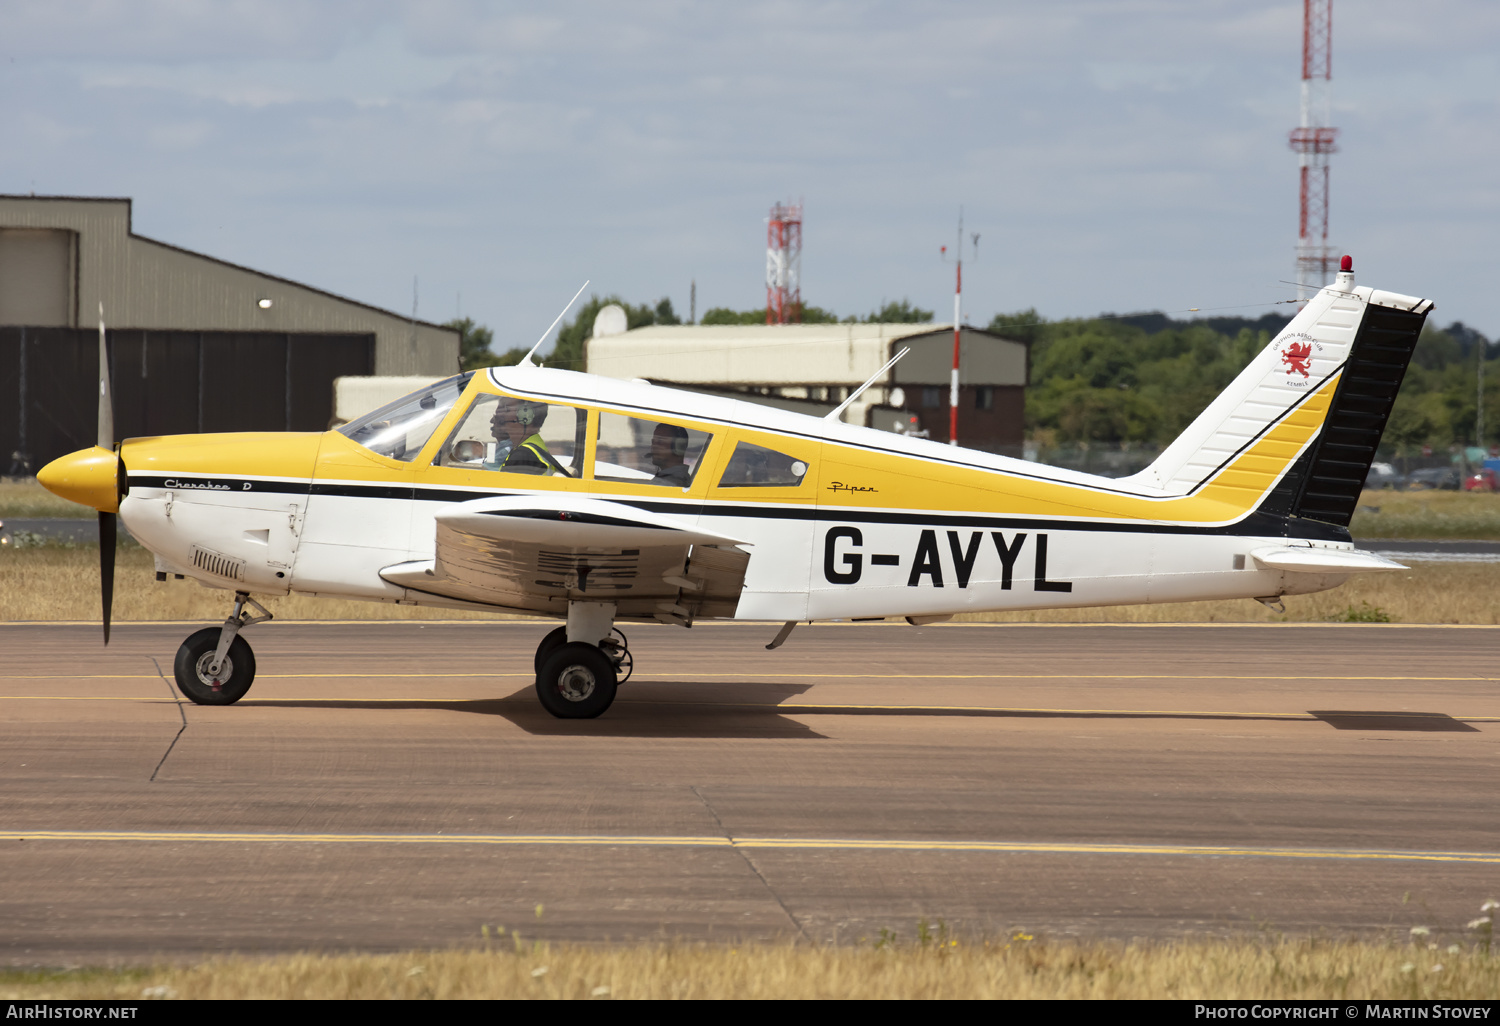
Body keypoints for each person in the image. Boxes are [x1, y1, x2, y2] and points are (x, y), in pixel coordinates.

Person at [487, 398, 564, 475]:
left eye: (507, 410)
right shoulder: (531, 447)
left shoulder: (523, 455)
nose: (501, 416)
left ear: (525, 417)